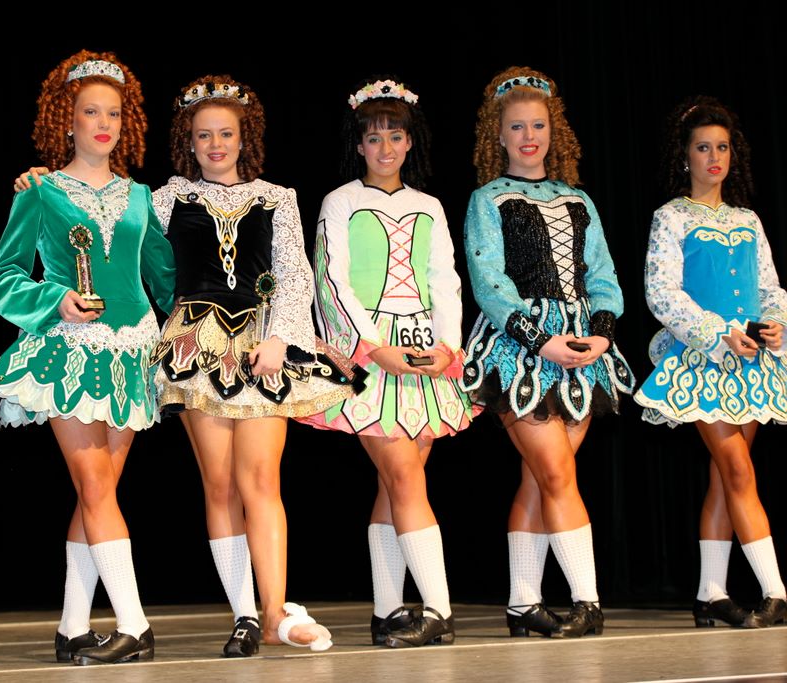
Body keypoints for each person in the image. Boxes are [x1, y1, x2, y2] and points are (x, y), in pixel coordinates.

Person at [151, 75, 364, 656]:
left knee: (261, 480)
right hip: (196, 346)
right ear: (188, 141)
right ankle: (244, 615)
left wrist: (281, 339)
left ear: (245, 137)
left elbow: (296, 275)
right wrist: (41, 182)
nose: (215, 144)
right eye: (203, 135)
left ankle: (274, 610)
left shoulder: (278, 197)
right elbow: (119, 238)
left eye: (226, 133)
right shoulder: (167, 198)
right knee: (219, 484)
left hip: (263, 344)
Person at [0, 50, 175, 665]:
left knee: (99, 493)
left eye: (113, 113)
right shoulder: (39, 191)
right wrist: (56, 300)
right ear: (65, 120)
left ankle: (71, 627)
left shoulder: (141, 196)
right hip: (70, 352)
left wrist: (198, 326)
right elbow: (5, 279)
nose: (103, 124)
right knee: (95, 486)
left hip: (132, 353)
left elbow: (164, 277)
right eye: (90, 112)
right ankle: (135, 624)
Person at [301, 77, 477, 647]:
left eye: (395, 137)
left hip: (425, 353)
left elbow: (445, 279)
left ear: (410, 142)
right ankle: (439, 611)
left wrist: (446, 347)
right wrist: (373, 347)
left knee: (396, 481)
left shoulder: (430, 206)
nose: (385, 148)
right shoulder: (340, 201)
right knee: (403, 475)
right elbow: (330, 278)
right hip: (371, 352)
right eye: (373, 138)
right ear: (359, 145)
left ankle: (386, 611)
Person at [460, 67, 634, 638]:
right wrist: (541, 339)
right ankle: (588, 602)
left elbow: (602, 273)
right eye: (516, 127)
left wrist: (601, 334)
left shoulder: (579, 199)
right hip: (520, 348)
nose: (528, 136)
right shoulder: (487, 198)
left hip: (582, 348)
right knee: (557, 472)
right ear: (498, 134)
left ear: (553, 129)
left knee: (541, 479)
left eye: (537, 125)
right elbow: (487, 282)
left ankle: (522, 604)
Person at [635, 96, 787, 629]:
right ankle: (776, 592)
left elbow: (768, 286)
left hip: (752, 364)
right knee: (738, 469)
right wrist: (719, 334)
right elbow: (662, 292)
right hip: (703, 359)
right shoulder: (671, 216)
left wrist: (775, 323)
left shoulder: (748, 219)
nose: (714, 157)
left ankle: (710, 593)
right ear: (685, 156)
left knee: (726, 477)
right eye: (703, 148)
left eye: (722, 147)